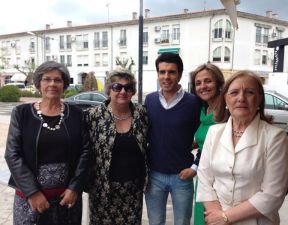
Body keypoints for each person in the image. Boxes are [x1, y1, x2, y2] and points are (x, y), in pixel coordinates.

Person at [197, 70, 288, 225]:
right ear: (226, 99)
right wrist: (216, 216)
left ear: (259, 99)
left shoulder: (275, 137)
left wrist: (225, 217)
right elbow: (204, 179)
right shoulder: (214, 132)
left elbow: (273, 194)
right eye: (234, 93)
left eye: (249, 92)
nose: (241, 98)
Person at [5, 61, 91, 225]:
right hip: (31, 200)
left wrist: (75, 187)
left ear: (64, 84)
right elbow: (12, 154)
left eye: (58, 80)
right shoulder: (21, 113)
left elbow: (85, 151)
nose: (52, 84)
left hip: (66, 199)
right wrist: (33, 192)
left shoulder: (76, 114)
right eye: (47, 79)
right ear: (39, 83)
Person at [84, 69, 148, 225]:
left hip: (133, 191)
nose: (123, 91)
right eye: (117, 87)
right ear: (108, 90)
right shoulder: (93, 116)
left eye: (128, 88)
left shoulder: (141, 114)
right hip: (103, 191)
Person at [145, 52, 202, 225]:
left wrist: (195, 166)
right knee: (155, 222)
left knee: (182, 222)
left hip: (182, 176)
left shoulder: (194, 103)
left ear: (180, 74)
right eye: (162, 72)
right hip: (154, 175)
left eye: (171, 72)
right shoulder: (150, 100)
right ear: (157, 74)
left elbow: (207, 139)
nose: (166, 76)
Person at [190, 63, 225, 225]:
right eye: (198, 83)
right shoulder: (204, 110)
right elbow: (201, 141)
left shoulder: (228, 110)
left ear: (218, 83)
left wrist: (193, 168)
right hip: (204, 180)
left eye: (208, 81)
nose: (203, 86)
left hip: (222, 181)